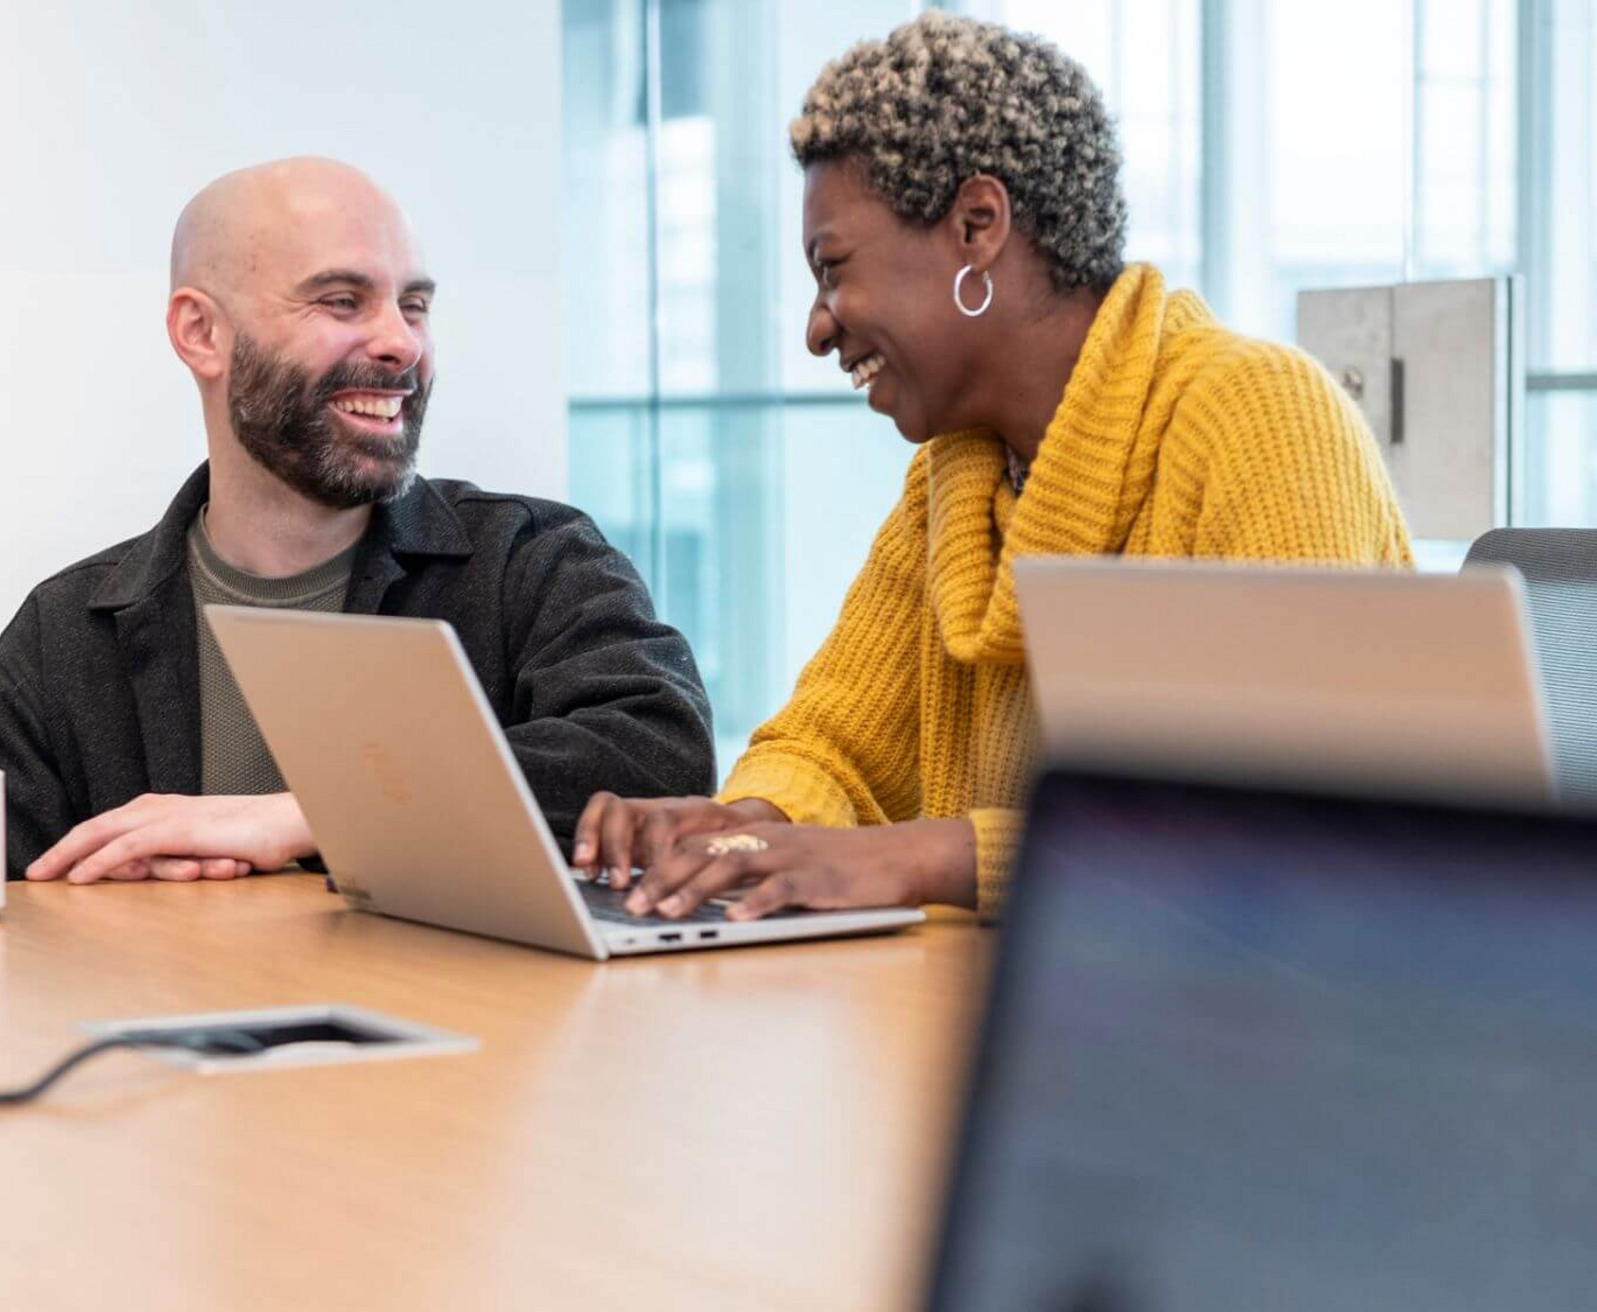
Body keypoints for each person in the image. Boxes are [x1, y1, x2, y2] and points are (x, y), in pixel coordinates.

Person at [575, 13, 1413, 922]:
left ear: (978, 225)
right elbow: (832, 744)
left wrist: (920, 857)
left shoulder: (1259, 415)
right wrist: (737, 830)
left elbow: (1279, 822)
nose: (818, 327)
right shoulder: (961, 476)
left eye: (833, 269)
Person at [0, 158, 714, 883]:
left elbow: (657, 752)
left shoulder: (534, 565)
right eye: (341, 302)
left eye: (414, 305)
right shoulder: (62, 640)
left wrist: (312, 817)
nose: (402, 343)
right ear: (201, 333)